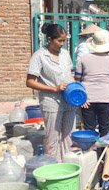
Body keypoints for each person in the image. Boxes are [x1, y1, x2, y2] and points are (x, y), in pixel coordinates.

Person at [26, 23, 75, 161]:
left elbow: (69, 75)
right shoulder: (39, 56)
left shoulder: (65, 54)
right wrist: (54, 88)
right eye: (59, 41)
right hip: (51, 101)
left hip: (68, 100)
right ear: (49, 40)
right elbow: (29, 81)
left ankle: (67, 164)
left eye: (64, 41)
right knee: (52, 136)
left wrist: (77, 91)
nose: (62, 44)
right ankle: (53, 165)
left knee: (68, 135)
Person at [74, 29, 109, 137]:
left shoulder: (83, 59)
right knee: (105, 128)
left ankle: (90, 151)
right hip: (106, 98)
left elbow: (77, 80)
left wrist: (81, 98)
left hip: (87, 98)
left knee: (89, 128)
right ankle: (104, 152)